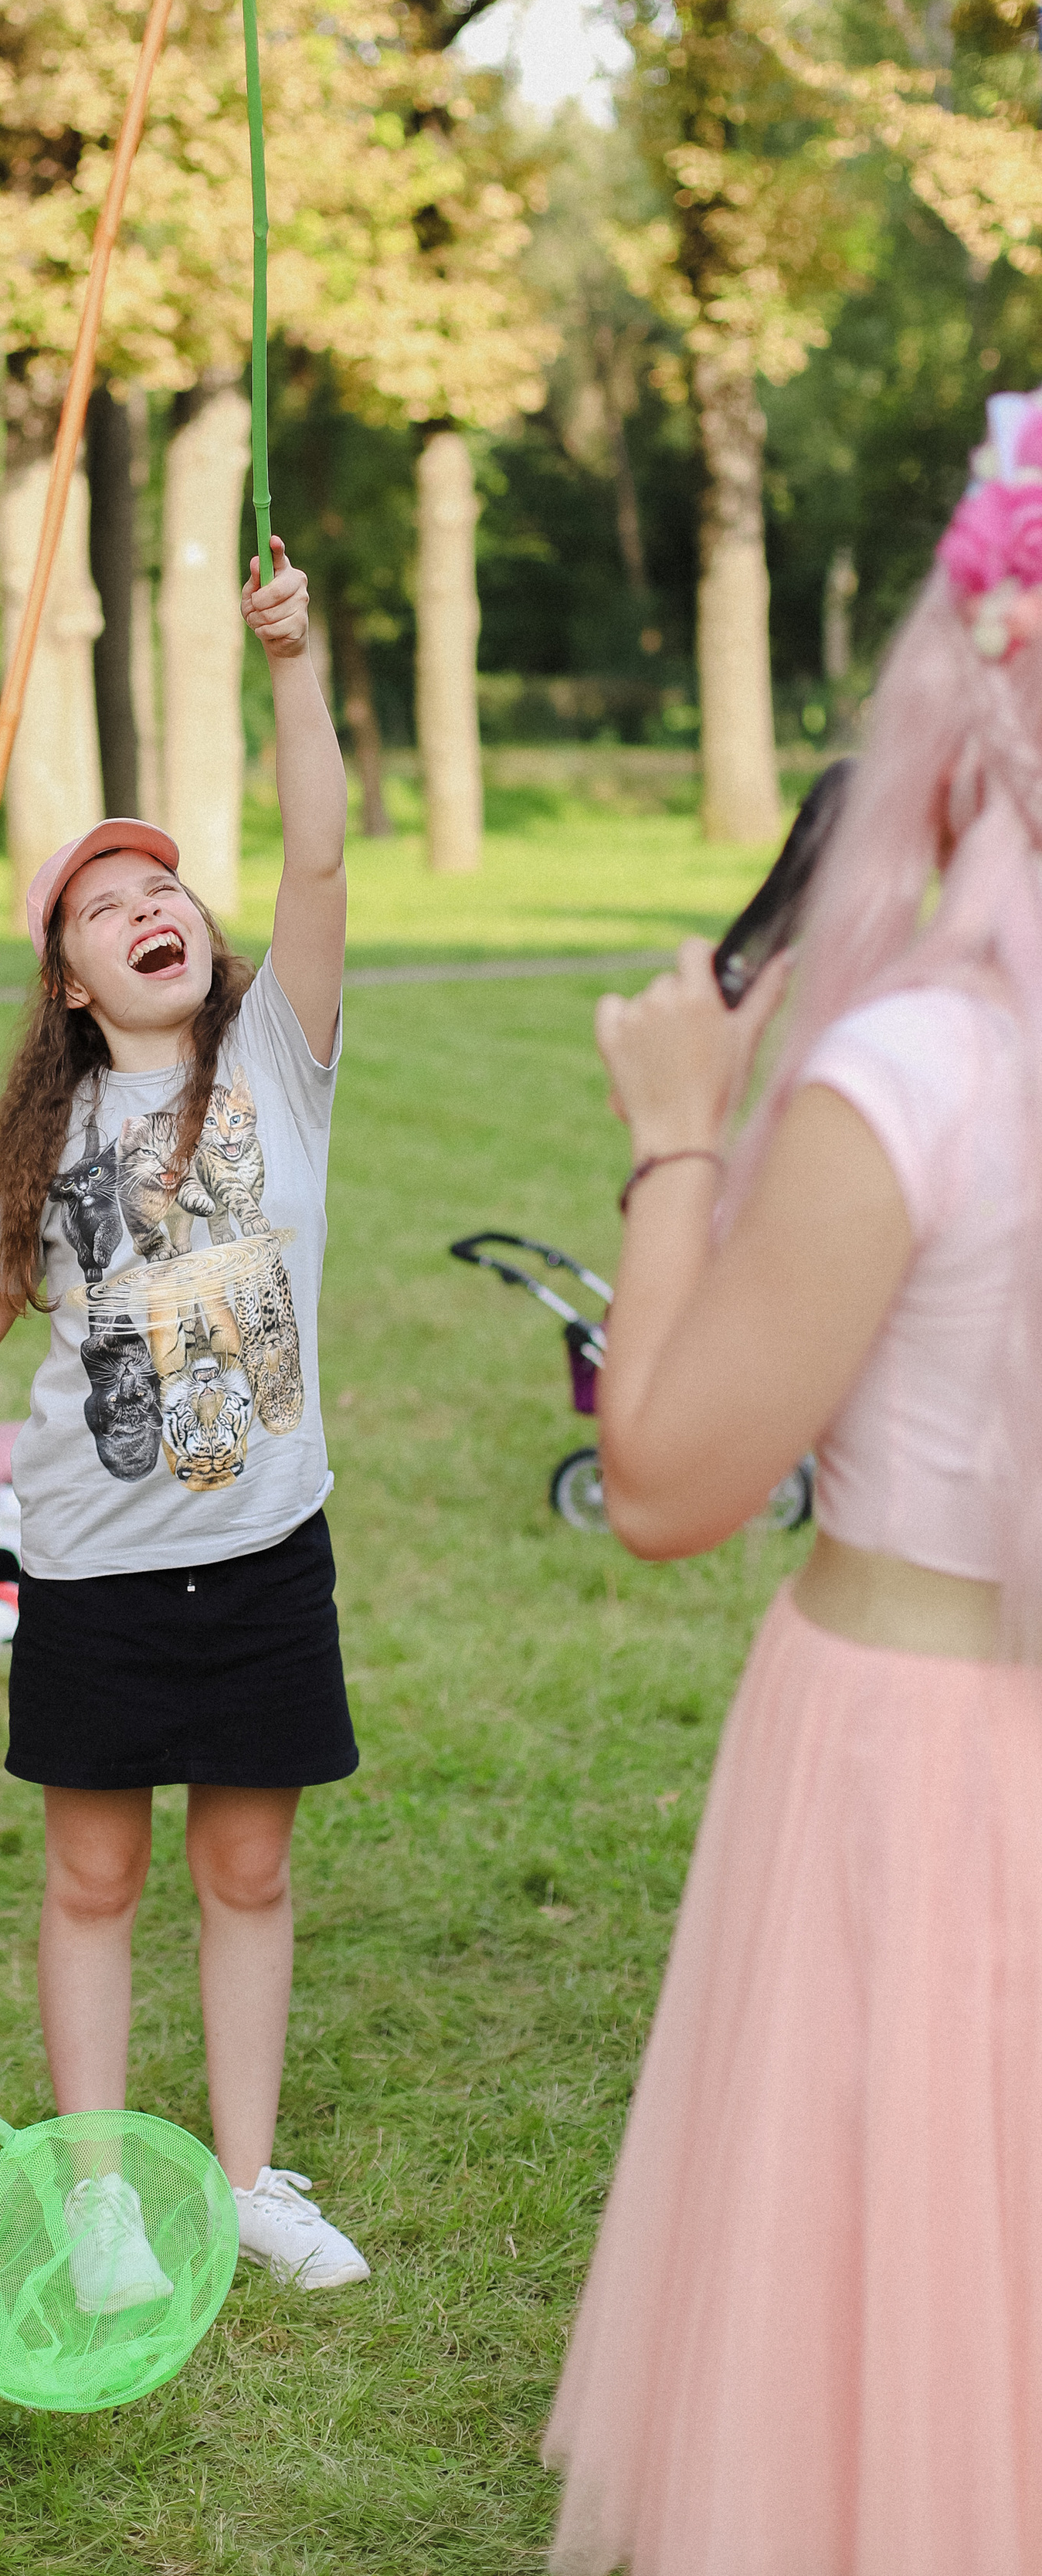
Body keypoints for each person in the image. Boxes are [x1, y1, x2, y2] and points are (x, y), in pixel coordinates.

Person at [545, 391, 1042, 2574]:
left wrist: (677, 1132)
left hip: (921, 1756)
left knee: (902, 2305)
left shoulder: (921, 1069)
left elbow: (658, 1477)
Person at [0, 541, 370, 2299]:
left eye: (170, 890)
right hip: (100, 1562)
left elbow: (324, 851)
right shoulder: (36, 1150)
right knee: (93, 1876)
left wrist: (288, 664)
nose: (158, 908)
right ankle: (108, 2197)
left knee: (251, 1868)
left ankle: (250, 2175)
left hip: (262, 1550)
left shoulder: (277, 1053)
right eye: (109, 902)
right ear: (66, 976)